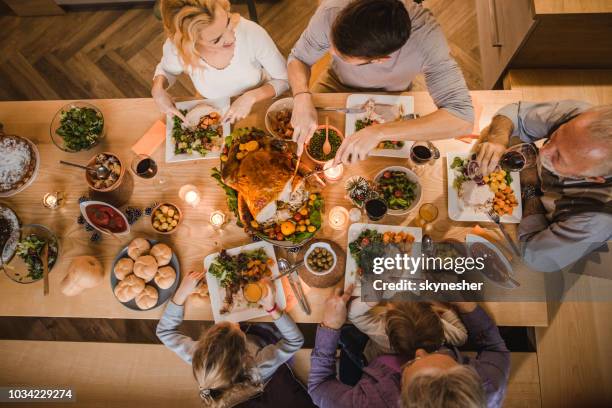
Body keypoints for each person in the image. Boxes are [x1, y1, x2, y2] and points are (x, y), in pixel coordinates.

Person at [287, 0, 474, 159]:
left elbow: (462, 118)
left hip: (393, 93)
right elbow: (299, 58)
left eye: (342, 55)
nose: (330, 52)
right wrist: (302, 95)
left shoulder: (427, 40)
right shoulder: (332, 11)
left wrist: (380, 132)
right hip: (336, 82)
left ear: (379, 59)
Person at [308, 286, 510, 408]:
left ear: (402, 397)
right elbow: (495, 348)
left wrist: (330, 325)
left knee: (348, 340)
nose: (419, 351)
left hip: (364, 365)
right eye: (443, 354)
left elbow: (318, 387)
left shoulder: (367, 403)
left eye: (413, 362)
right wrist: (463, 302)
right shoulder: (489, 385)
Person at [473, 101, 612, 272]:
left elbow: (535, 258)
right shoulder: (582, 119)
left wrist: (530, 187)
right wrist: (497, 140)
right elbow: (514, 114)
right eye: (555, 136)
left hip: (539, 227)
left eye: (559, 157)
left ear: (593, 178)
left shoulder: (594, 220)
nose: (544, 151)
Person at [157, 271, 311, 407]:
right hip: (267, 381)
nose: (235, 322)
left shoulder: (200, 358)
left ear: (205, 343)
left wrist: (182, 293)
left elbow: (164, 331)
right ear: (247, 354)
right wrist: (271, 307)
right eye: (237, 329)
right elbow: (295, 341)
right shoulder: (260, 366)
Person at [152, 0, 289, 124]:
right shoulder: (177, 48)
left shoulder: (252, 33)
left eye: (228, 22)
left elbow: (284, 80)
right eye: (216, 40)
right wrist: (158, 89)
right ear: (189, 43)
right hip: (213, 107)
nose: (231, 37)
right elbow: (167, 70)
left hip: (260, 102)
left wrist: (250, 97)